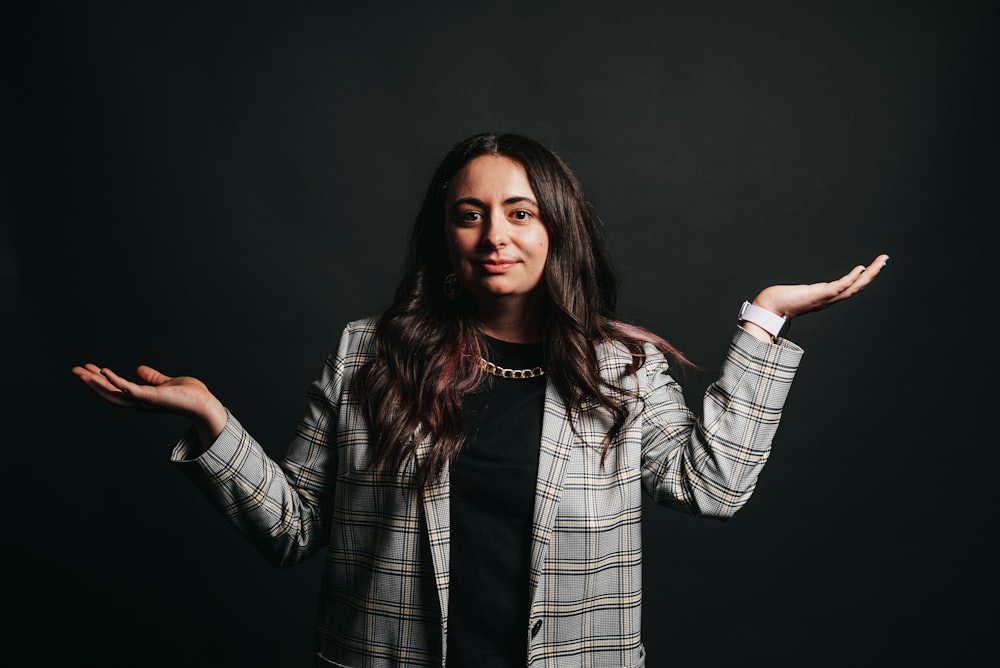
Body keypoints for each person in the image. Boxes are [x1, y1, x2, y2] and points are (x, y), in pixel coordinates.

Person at [72, 132, 889, 667]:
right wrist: (213, 422)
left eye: (520, 212)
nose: (495, 236)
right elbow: (294, 530)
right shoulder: (371, 353)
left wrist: (765, 321)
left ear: (555, 229)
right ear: (445, 239)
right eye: (470, 216)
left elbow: (715, 485)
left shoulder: (624, 369)